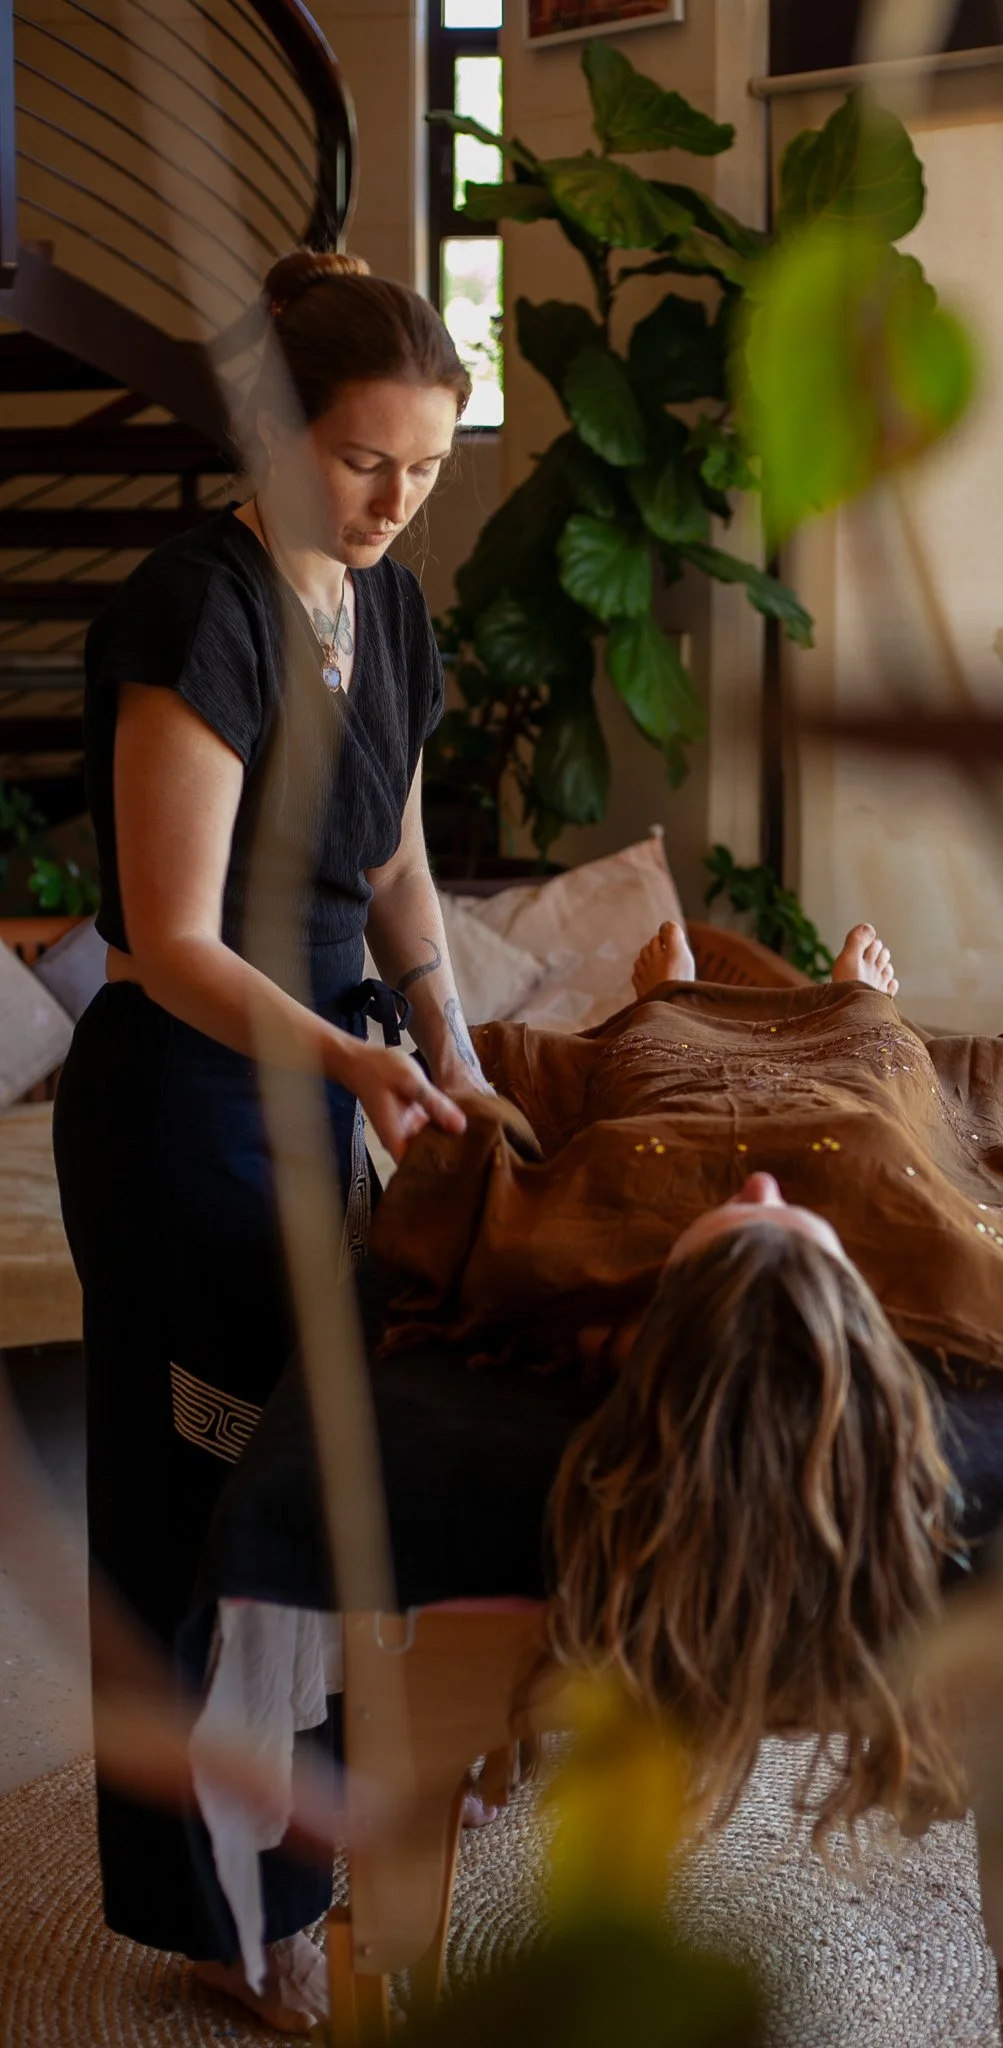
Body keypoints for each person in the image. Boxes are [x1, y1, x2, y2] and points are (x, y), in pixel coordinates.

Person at [372, 920, 1003, 1847]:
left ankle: (666, 1009)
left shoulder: (613, 1315)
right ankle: (854, 1009)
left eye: (732, 1225)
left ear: (671, 1312)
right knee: (881, 1103)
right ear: (854, 1305)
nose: (760, 1189)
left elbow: (462, 1205)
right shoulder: (911, 1297)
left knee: (645, 1098)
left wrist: (583, 1316)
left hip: (661, 1149)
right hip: (865, 1153)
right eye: (785, 1225)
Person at [53, 249, 490, 2033]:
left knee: (331, 1490)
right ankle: (236, 1910)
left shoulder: (384, 612)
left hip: (322, 1093)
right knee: (213, 1509)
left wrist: (450, 1046)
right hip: (186, 1117)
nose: (394, 503)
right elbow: (169, 938)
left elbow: (387, 864)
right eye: (365, 461)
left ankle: (315, 1835)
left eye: (428, 471)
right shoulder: (196, 612)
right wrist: (359, 1063)